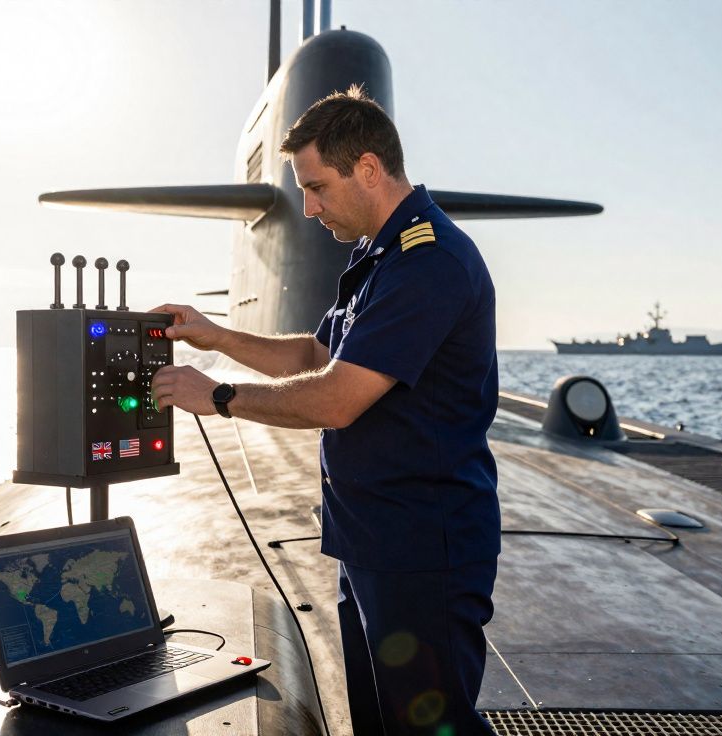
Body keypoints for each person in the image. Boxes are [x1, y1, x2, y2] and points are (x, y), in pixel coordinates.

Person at [150, 85, 500, 736]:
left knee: (431, 729)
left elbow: (338, 398)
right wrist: (217, 335)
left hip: (422, 554)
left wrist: (219, 396)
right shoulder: (380, 255)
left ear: (368, 169)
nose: (307, 209)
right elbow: (316, 352)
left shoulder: (429, 263)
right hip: (371, 545)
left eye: (316, 187)